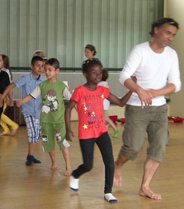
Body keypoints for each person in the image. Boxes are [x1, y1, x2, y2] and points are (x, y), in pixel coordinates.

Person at [114, 17, 181, 200]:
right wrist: (139, 90)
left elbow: (176, 84)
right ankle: (117, 165)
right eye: (168, 33)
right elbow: (124, 76)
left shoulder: (171, 55)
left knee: (158, 148)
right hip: (137, 108)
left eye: (173, 35)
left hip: (159, 109)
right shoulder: (140, 50)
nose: (170, 38)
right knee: (132, 147)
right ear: (156, 30)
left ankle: (145, 186)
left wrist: (156, 93)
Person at [65, 58, 134, 203]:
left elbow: (121, 103)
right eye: (94, 72)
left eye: (100, 72)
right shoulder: (80, 91)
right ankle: (75, 175)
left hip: (102, 131)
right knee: (88, 165)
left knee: (109, 162)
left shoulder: (103, 90)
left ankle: (108, 192)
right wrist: (68, 129)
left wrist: (132, 89)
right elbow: (68, 108)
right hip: (86, 134)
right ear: (85, 74)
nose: (98, 75)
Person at [16, 58, 72, 176]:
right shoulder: (41, 85)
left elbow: (72, 101)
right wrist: (22, 101)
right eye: (45, 70)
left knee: (62, 143)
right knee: (48, 143)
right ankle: (54, 162)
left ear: (57, 71)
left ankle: (68, 166)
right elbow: (31, 96)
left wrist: (81, 111)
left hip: (59, 122)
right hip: (45, 122)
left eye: (50, 70)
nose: (47, 72)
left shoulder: (62, 86)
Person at [0, 56, 45, 166]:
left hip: (39, 111)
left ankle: (31, 155)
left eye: (42, 66)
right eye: (38, 65)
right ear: (32, 66)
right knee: (32, 132)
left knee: (37, 135)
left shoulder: (44, 80)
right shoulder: (25, 78)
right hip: (28, 110)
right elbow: (10, 86)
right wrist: (4, 97)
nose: (40, 68)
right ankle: (29, 157)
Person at [0, 54, 19, 136]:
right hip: (0, 95)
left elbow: (9, 86)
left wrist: (10, 98)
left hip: (4, 96)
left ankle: (13, 125)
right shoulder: (1, 71)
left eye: (0, 60)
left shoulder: (5, 72)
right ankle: (6, 129)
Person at [98, 69, 119, 139]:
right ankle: (104, 130)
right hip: (104, 103)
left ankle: (115, 129)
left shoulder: (100, 85)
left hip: (103, 104)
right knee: (102, 118)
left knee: (104, 117)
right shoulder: (104, 83)